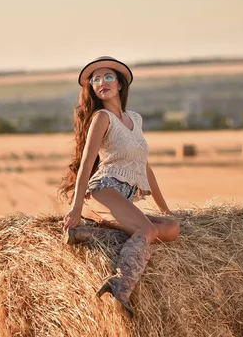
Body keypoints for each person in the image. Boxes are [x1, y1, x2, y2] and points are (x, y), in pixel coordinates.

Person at [58, 55, 180, 318]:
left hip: (123, 198)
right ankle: (121, 284)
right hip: (102, 191)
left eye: (108, 77)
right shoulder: (101, 118)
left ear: (121, 84)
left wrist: (166, 209)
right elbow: (87, 163)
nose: (102, 82)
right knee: (147, 229)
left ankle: (84, 234)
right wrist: (75, 208)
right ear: (91, 88)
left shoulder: (135, 119)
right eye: (95, 80)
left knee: (172, 228)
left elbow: (145, 168)